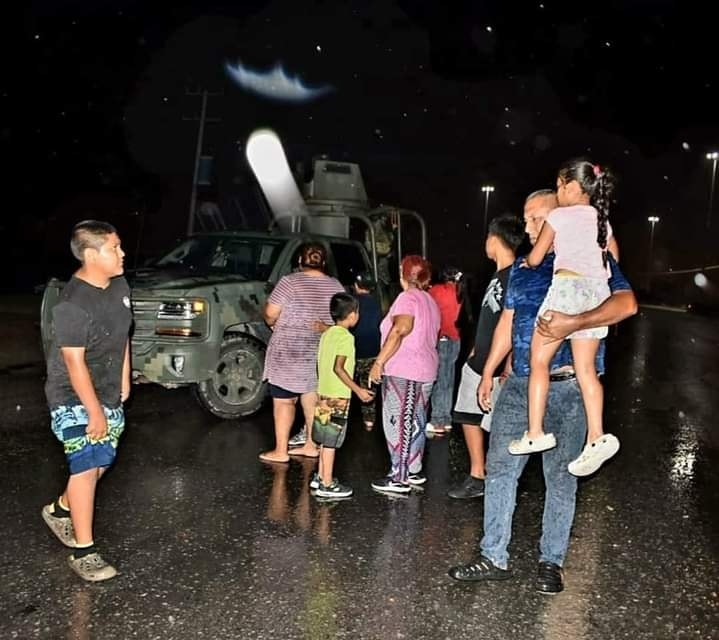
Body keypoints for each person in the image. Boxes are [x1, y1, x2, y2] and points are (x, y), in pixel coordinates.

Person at [448, 189, 637, 593]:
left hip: (568, 388)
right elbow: (508, 321)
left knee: (561, 478)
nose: (530, 227)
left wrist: (575, 322)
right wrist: (489, 370)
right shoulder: (522, 267)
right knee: (500, 469)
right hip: (519, 385)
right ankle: (492, 555)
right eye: (527, 219)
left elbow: (626, 305)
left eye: (538, 219)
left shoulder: (593, 261)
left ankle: (551, 562)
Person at [515, 159, 621, 477]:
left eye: (560, 186)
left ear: (573, 186)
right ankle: (596, 436)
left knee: (538, 360)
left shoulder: (559, 216)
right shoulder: (602, 221)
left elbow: (537, 257)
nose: (558, 192)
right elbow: (612, 260)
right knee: (586, 370)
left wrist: (529, 263)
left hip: (567, 290)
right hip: (596, 295)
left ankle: (535, 432)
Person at [42, 220, 132, 582]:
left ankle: (60, 509)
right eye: (114, 248)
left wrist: (124, 376)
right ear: (92, 255)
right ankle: (84, 551)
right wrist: (94, 412)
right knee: (86, 464)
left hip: (108, 389)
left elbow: (124, 333)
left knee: (100, 464)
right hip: (71, 394)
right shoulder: (72, 304)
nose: (123, 253)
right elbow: (73, 363)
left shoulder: (120, 285)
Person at [447, 214, 525, 499]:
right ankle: (478, 473)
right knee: (468, 416)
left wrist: (507, 362)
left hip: (496, 365)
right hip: (479, 361)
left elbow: (516, 324)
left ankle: (491, 477)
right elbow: (490, 319)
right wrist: (474, 351)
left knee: (495, 423)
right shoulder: (497, 275)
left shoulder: (515, 276)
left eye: (488, 237)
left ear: (495, 239)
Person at [259, 243, 344, 463]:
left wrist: (272, 323)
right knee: (311, 397)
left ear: (299, 261)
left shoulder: (289, 282)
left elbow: (270, 313)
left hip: (288, 351)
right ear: (324, 262)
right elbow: (342, 319)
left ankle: (281, 451)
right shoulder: (335, 285)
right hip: (318, 351)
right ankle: (311, 445)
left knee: (284, 401)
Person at [368, 255, 441, 494]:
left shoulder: (407, 298)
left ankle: (399, 476)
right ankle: (413, 468)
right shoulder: (429, 300)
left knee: (400, 421)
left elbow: (401, 329)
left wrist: (379, 362)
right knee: (415, 419)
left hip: (406, 369)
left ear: (403, 274)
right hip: (425, 369)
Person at [311, 293, 375, 499]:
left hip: (323, 392)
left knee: (323, 438)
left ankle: (320, 476)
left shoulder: (327, 334)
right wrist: (358, 390)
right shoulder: (346, 338)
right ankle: (327, 484)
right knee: (331, 440)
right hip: (337, 396)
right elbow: (339, 368)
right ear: (353, 315)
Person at [426, 266, 465, 435]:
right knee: (449, 379)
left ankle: (437, 420)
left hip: (441, 338)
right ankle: (446, 418)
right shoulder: (461, 291)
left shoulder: (436, 290)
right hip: (456, 339)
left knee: (440, 379)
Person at [350, 271, 382, 430]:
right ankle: (369, 420)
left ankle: (342, 416)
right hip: (372, 350)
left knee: (347, 382)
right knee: (368, 385)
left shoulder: (351, 302)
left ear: (356, 286)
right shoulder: (377, 303)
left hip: (353, 349)